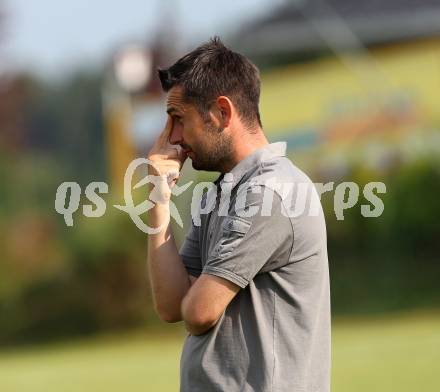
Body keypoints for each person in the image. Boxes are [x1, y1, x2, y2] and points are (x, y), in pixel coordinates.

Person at [146, 37, 331, 392]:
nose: (172, 137)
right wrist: (159, 195)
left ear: (222, 113)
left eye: (178, 119)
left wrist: (193, 297)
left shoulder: (271, 193)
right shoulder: (223, 191)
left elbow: (198, 312)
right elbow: (171, 305)